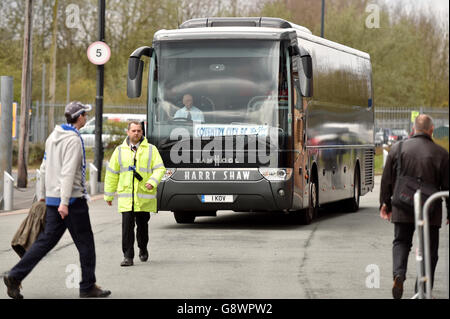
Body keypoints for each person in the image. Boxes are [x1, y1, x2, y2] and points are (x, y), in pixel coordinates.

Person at [3, 101, 111, 299]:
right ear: (79, 117)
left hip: (53, 198)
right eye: (85, 115)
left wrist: (44, 194)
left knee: (45, 242)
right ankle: (87, 286)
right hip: (71, 201)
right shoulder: (73, 140)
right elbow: (68, 172)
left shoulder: (53, 136)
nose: (86, 117)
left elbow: (44, 168)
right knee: (86, 243)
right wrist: (64, 202)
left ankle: (15, 275)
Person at [379, 114, 449, 299]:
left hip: (402, 204)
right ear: (431, 129)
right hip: (430, 209)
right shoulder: (441, 153)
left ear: (414, 129)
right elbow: (448, 186)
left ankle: (399, 274)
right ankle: (423, 288)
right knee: (430, 250)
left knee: (401, 242)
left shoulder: (398, 148)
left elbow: (387, 179)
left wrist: (385, 203)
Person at [104, 121, 165, 267]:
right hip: (126, 197)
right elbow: (112, 174)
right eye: (133, 130)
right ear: (128, 132)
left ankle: (142, 247)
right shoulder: (119, 151)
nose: (136, 133)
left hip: (143, 197)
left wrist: (152, 181)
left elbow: (160, 169)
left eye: (139, 130)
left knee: (142, 227)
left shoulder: (151, 149)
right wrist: (109, 195)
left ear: (142, 133)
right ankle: (127, 256)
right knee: (127, 228)